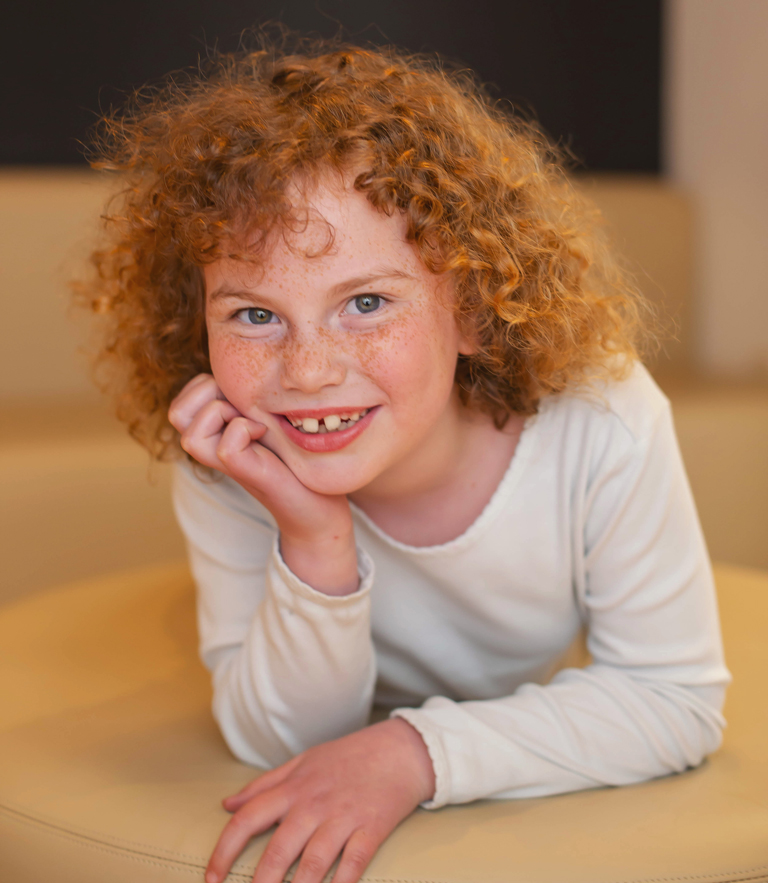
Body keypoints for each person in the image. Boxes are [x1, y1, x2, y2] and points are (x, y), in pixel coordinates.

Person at [79, 36, 730, 883]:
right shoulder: (235, 451)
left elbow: (671, 698)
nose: (307, 371)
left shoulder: (602, 421)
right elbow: (277, 740)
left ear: (474, 310)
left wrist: (413, 751)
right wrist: (314, 542)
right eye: (253, 316)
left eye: (367, 302)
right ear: (196, 318)